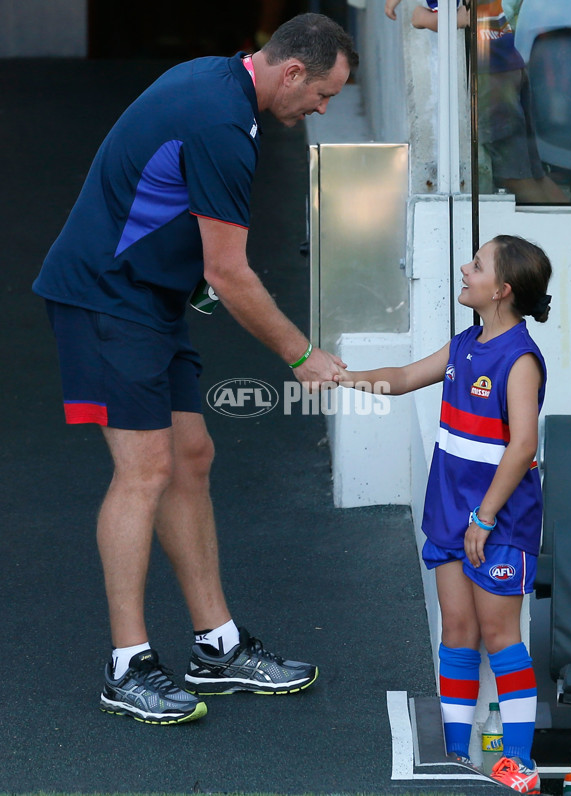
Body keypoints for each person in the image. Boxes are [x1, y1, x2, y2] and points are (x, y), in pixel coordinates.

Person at [32, 13, 358, 725]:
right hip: (106, 299)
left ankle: (217, 646)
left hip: (146, 298)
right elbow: (230, 272)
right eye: (324, 95)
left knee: (191, 455)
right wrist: (301, 355)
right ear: (292, 71)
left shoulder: (220, 81)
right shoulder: (220, 125)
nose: (322, 110)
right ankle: (127, 665)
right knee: (145, 469)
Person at [336, 235, 551, 794]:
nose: (464, 267)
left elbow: (523, 445)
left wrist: (483, 518)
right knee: (456, 630)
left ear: (501, 290)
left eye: (476, 265)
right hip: (450, 517)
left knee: (500, 637)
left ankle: (519, 764)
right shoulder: (464, 343)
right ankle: (458, 753)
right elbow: (405, 378)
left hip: (497, 524)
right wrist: (342, 377)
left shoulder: (521, 358)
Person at [385, 0, 567, 204]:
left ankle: (562, 232)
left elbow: (446, 18)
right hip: (510, 68)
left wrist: (429, 17)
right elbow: (438, 16)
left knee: (515, 178)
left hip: (494, 79)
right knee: (536, 176)